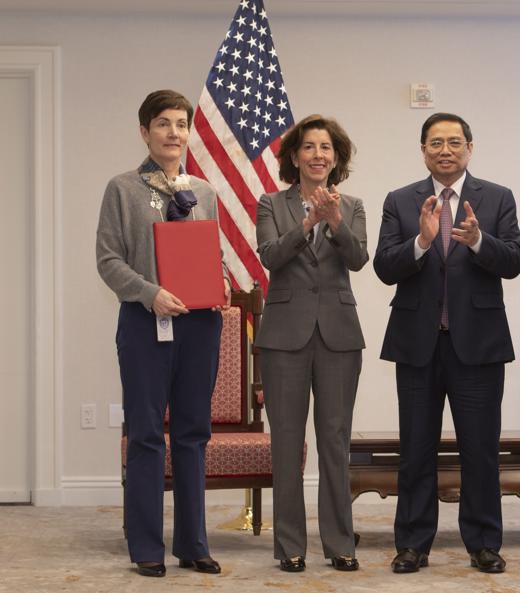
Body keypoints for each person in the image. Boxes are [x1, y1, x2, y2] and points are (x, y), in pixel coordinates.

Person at [374, 113, 520, 574]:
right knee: (415, 448)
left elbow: (515, 260)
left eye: (454, 142)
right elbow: (383, 266)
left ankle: (483, 544)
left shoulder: (497, 198)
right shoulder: (401, 201)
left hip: (478, 345)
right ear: (423, 150)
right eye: (435, 142)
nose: (445, 149)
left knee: (480, 448)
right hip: (417, 343)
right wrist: (420, 242)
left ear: (470, 148)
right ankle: (413, 545)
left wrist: (480, 241)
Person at [96, 89, 231, 577]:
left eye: (181, 124)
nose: (174, 133)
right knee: (148, 434)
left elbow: (208, 254)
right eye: (163, 124)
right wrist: (149, 292)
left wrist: (222, 286)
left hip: (199, 325)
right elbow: (108, 260)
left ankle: (193, 544)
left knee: (194, 432)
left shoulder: (206, 192)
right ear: (144, 132)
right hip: (144, 321)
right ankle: (147, 547)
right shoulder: (122, 189)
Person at [254, 114, 368, 573]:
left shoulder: (354, 205)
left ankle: (341, 544)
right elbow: (269, 256)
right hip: (284, 336)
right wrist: (306, 225)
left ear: (336, 158)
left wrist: (335, 221)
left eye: (326, 148)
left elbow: (359, 259)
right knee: (286, 442)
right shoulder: (270, 203)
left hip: (339, 336)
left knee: (335, 442)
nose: (318, 155)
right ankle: (289, 546)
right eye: (309, 147)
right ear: (294, 157)